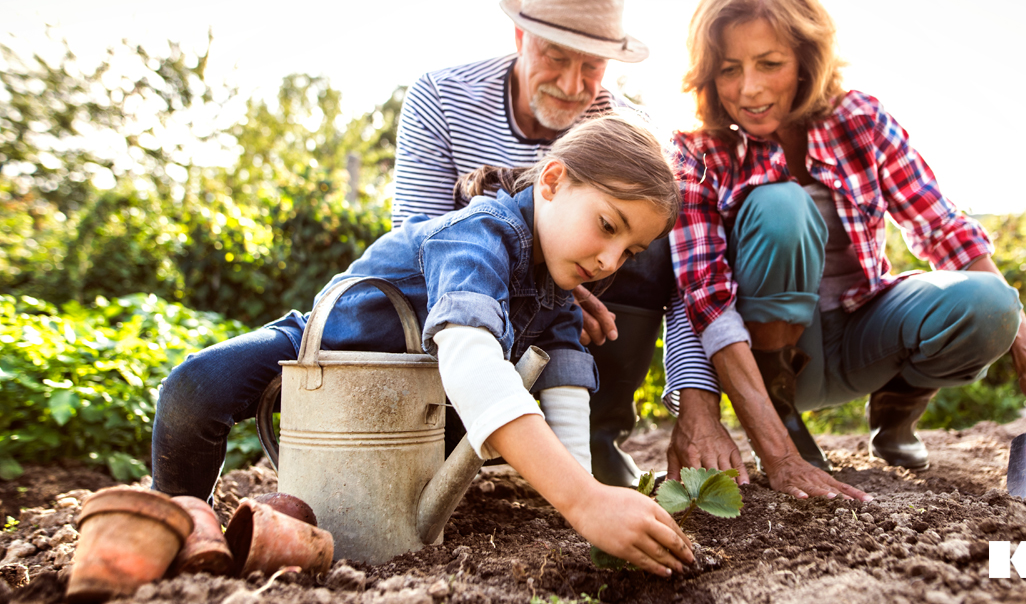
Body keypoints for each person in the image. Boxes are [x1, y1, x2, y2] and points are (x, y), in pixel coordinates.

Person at [150, 115, 693, 575]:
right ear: (552, 180)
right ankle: (179, 522)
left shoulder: (559, 281)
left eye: (629, 251)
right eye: (607, 226)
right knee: (195, 387)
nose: (608, 261)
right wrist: (583, 501)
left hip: (410, 407)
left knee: (480, 427)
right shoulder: (479, 235)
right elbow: (471, 359)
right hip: (324, 352)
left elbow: (566, 386)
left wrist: (584, 492)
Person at [661, 0, 1026, 502]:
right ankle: (784, 417)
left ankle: (895, 410)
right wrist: (781, 457)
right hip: (770, 359)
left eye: (769, 63)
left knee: (991, 304)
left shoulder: (860, 119)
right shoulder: (697, 152)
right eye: (729, 69)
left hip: (864, 332)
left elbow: (943, 230)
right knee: (781, 205)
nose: (748, 89)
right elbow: (704, 301)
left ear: (804, 59)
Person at [392, 0, 677, 487]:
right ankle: (448, 425)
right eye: (556, 56)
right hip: (465, 296)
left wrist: (576, 285)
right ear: (520, 38)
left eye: (591, 65)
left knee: (644, 228)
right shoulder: (441, 97)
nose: (572, 85)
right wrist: (537, 283)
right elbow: (421, 235)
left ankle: (596, 434)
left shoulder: (623, 126)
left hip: (562, 299)